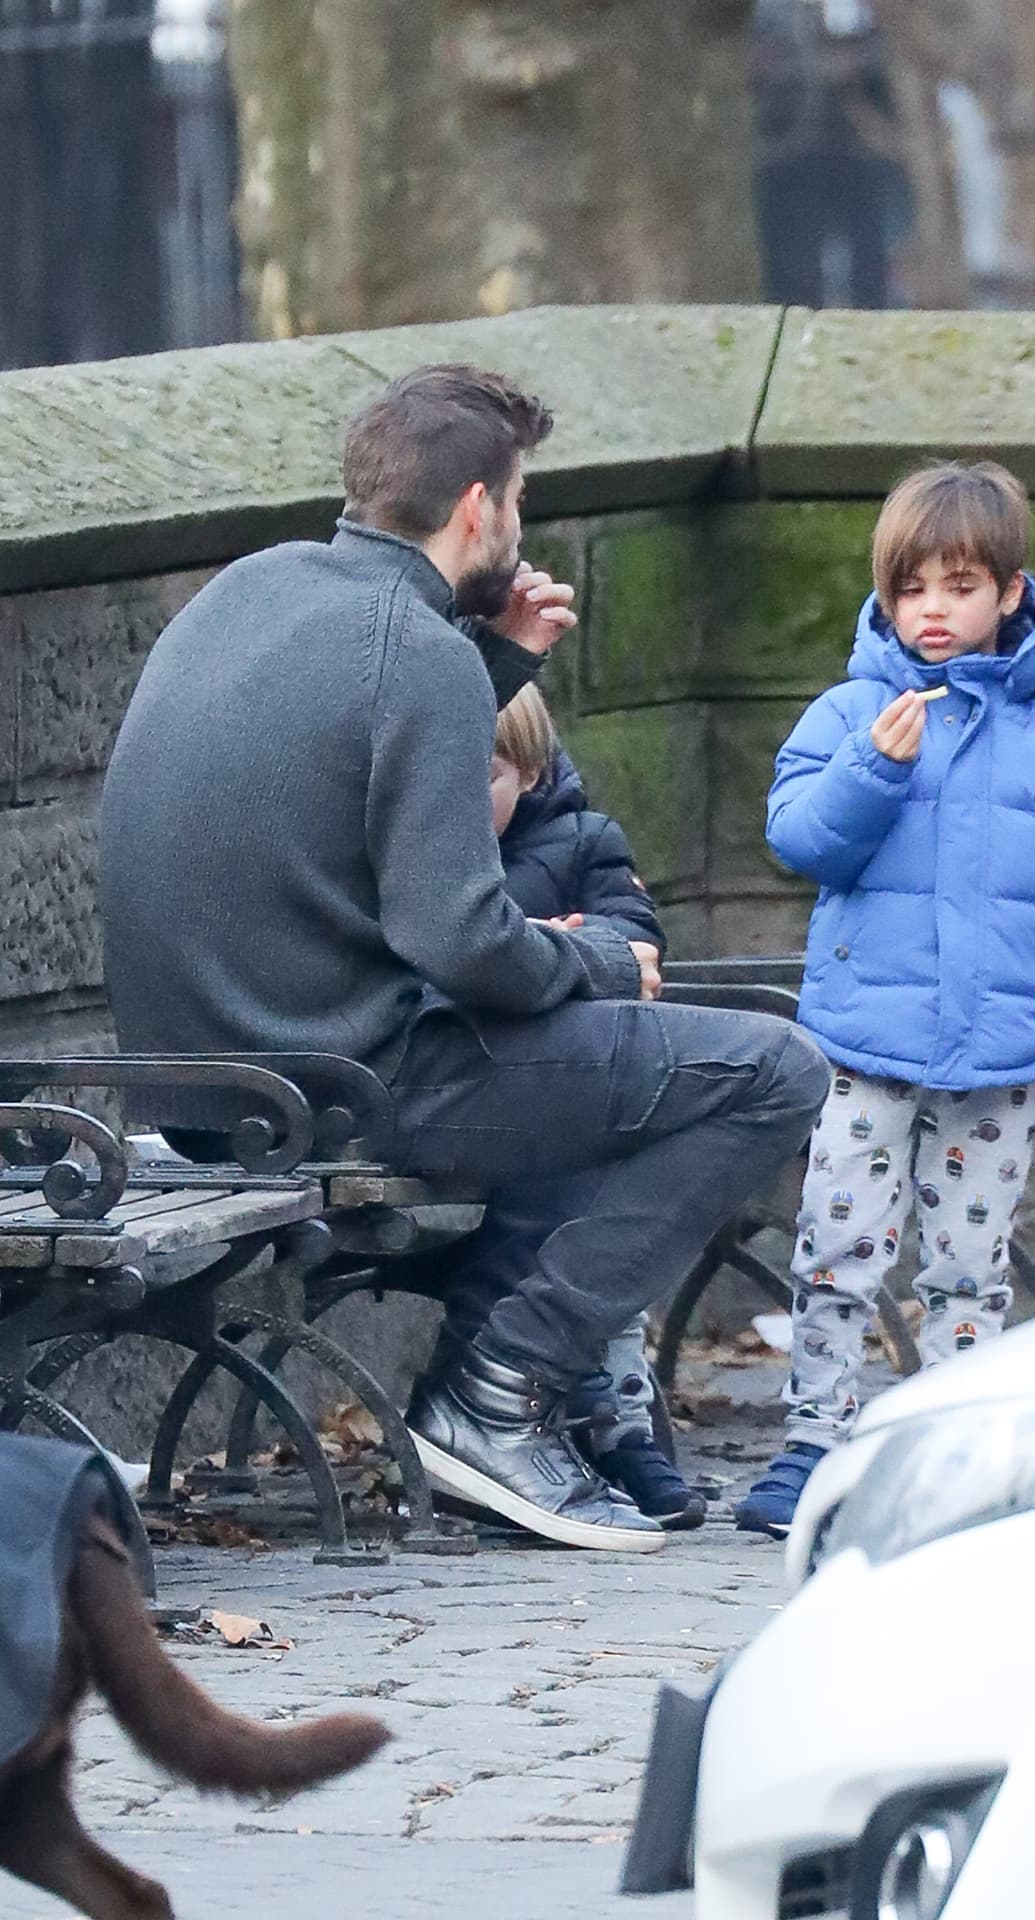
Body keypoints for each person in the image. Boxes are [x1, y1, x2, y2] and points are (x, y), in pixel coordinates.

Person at [100, 363, 829, 1556]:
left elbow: (339, 781)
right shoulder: (416, 647)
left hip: (203, 1094)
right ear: (481, 508)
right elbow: (460, 942)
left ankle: (523, 1381)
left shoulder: (251, 589)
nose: (520, 528)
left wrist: (490, 665)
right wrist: (599, 960)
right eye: (522, 504)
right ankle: (499, 1392)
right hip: (355, 1089)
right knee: (772, 1069)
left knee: (614, 1072)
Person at [736, 461, 1035, 1538]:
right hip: (864, 1038)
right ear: (884, 597)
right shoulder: (850, 711)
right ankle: (812, 1439)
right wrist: (870, 773)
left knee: (968, 1266)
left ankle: (950, 1437)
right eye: (911, 589)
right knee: (836, 1245)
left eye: (959, 585)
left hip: (1002, 1048)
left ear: (1009, 592)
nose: (933, 610)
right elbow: (798, 840)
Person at [473, 682, 705, 1529]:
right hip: (479, 1098)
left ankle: (621, 1426)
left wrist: (580, 949)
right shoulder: (421, 849)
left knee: (597, 1234)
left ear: (530, 774)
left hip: (573, 1095)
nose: (465, 798)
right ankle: (561, 1414)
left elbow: (637, 939)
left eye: (486, 776)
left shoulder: (583, 841)